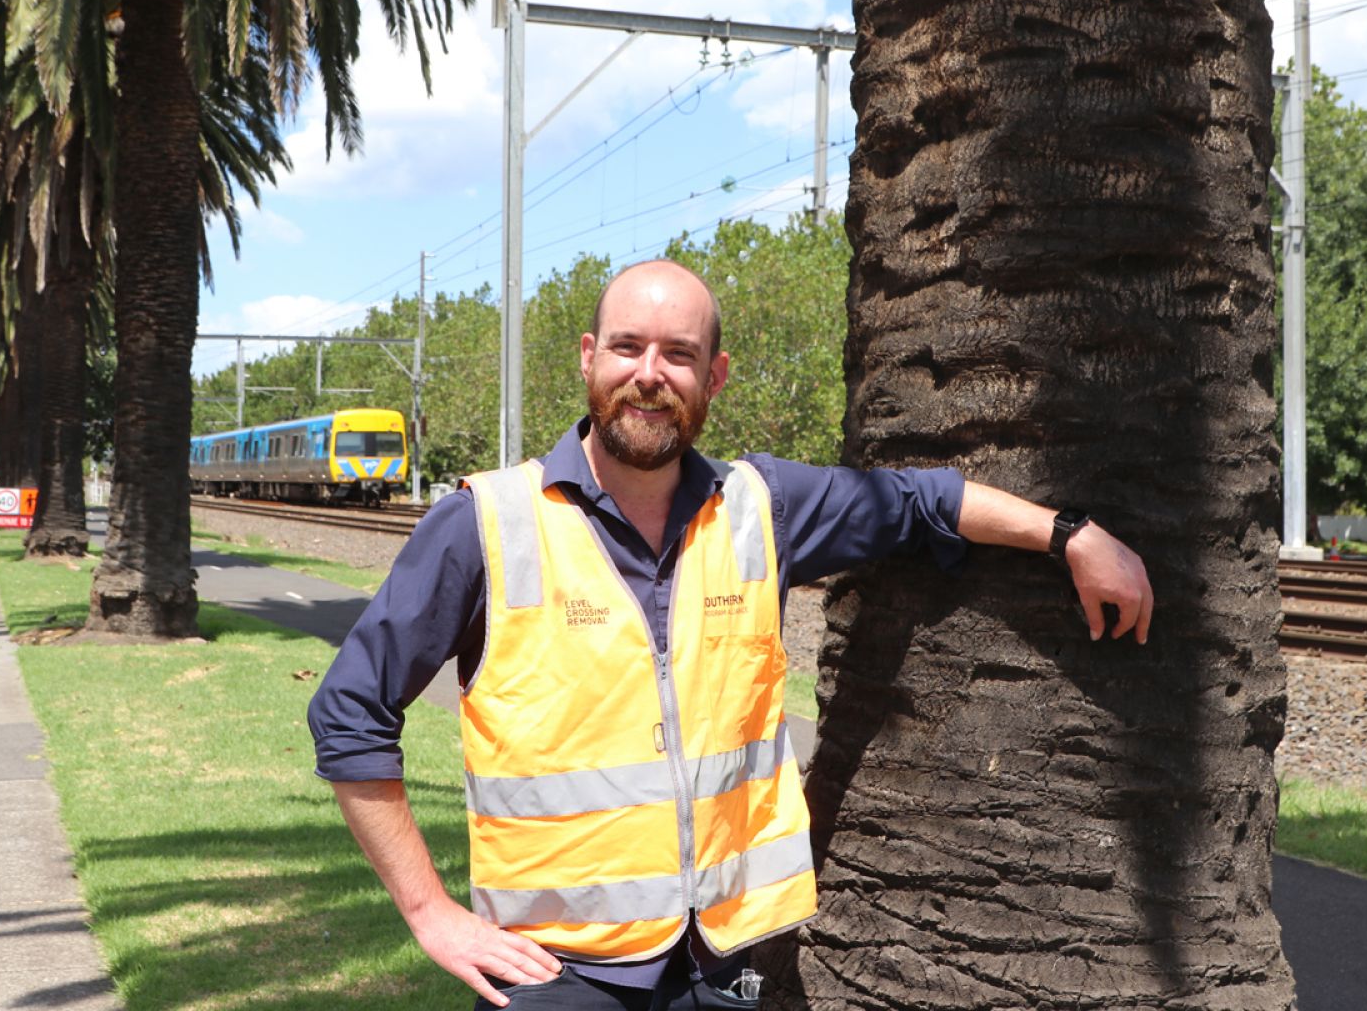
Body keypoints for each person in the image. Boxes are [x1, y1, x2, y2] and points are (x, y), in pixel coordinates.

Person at [308, 259, 1153, 1010]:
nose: (649, 375)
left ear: (714, 377)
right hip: (555, 974)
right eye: (627, 347)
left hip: (723, 963)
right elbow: (349, 713)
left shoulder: (762, 507)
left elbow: (919, 502)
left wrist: (1070, 533)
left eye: (677, 355)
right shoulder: (483, 524)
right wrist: (430, 914)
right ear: (587, 358)